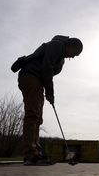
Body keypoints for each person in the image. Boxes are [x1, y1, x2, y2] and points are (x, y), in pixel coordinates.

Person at [14, 35, 83, 165]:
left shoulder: (61, 57)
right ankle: (30, 154)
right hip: (30, 76)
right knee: (33, 114)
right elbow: (47, 67)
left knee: (38, 118)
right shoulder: (57, 45)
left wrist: (48, 91)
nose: (73, 57)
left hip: (37, 81)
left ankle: (36, 152)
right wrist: (50, 92)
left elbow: (49, 73)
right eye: (74, 53)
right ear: (71, 46)